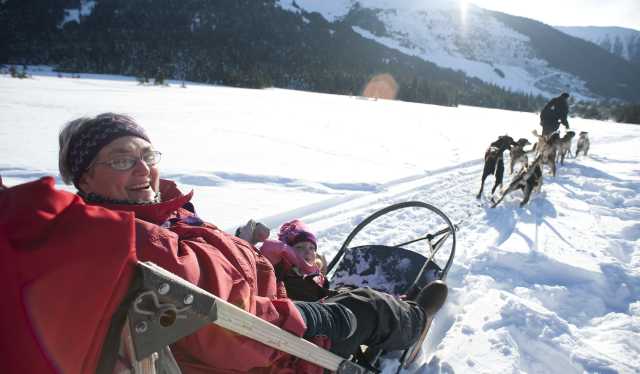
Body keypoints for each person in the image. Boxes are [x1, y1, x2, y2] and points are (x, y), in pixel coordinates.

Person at [2, 113, 448, 373]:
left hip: (265, 302)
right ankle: (413, 320)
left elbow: (212, 277)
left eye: (147, 155)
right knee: (366, 307)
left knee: (312, 277)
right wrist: (318, 319)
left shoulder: (161, 215)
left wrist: (249, 250)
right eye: (122, 160)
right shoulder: (135, 240)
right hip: (277, 347)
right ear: (84, 178)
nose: (143, 170)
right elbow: (234, 328)